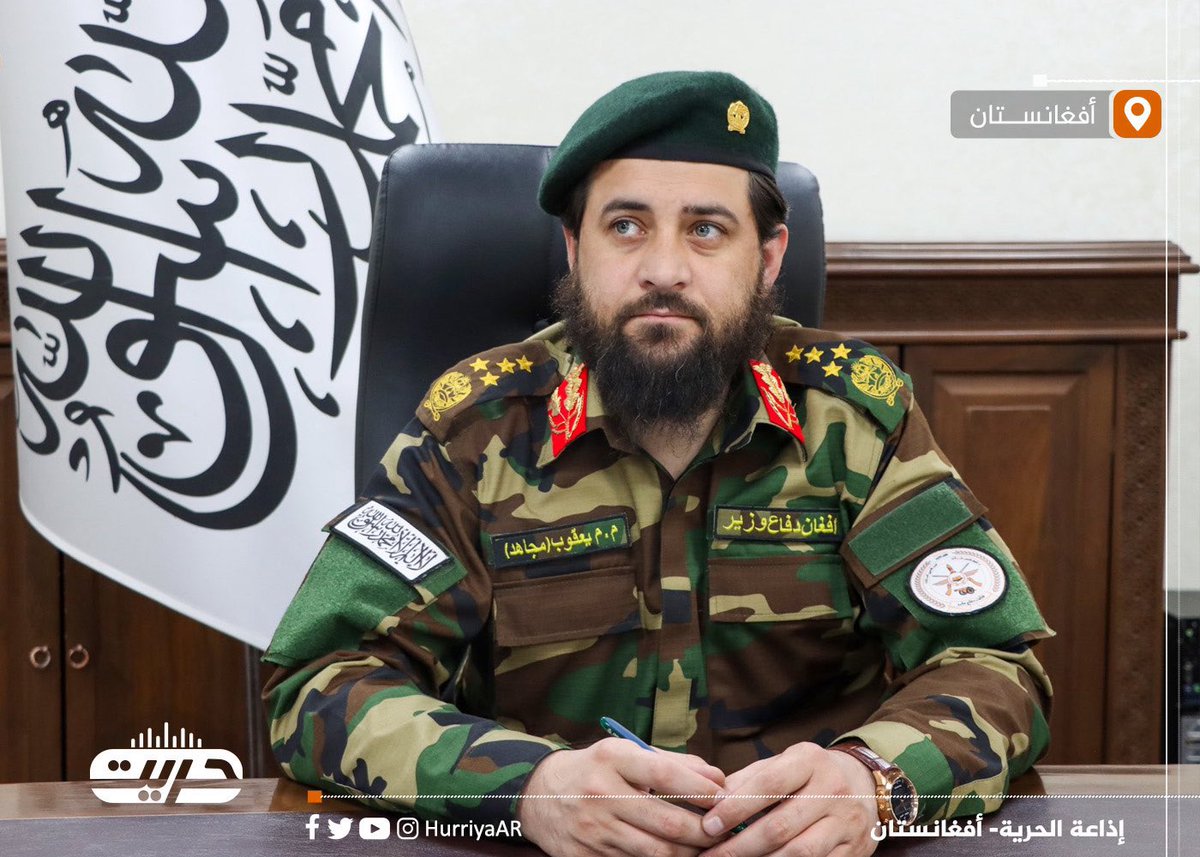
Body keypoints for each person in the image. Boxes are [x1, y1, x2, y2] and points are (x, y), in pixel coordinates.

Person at [262, 70, 1053, 857]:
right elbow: (320, 679)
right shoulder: (478, 429)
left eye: (706, 229)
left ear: (768, 257)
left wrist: (872, 779)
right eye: (626, 226)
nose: (664, 269)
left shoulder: (851, 420)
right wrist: (526, 787)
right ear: (575, 250)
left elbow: (991, 661)